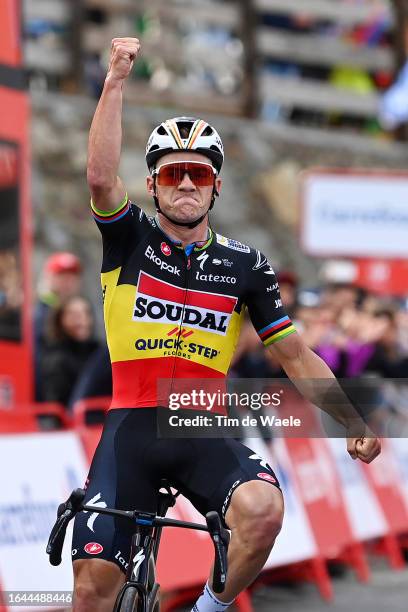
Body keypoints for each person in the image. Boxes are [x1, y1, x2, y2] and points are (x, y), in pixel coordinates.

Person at [71, 38, 381, 612]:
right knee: (90, 588)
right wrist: (114, 80)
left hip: (198, 428)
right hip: (130, 429)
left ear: (215, 185)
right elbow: (98, 177)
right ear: (154, 184)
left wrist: (350, 418)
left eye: (197, 173)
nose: (185, 183)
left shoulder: (246, 265)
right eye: (172, 174)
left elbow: (295, 357)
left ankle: (209, 608)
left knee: (264, 512)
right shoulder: (129, 238)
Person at [34, 252, 82, 400]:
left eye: (72, 276)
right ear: (49, 278)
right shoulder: (41, 315)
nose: (67, 281)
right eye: (61, 275)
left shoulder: (79, 309)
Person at [40, 296, 99, 407]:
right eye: (74, 315)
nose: (83, 321)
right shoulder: (56, 359)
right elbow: (55, 405)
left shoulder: (98, 352)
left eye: (86, 314)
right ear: (60, 320)